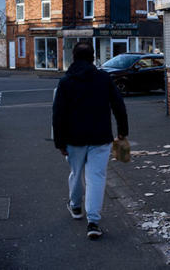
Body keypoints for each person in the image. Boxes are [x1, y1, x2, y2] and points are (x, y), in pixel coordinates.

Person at [51, 40, 128, 240]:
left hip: (73, 139)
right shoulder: (103, 78)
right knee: (96, 178)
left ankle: (76, 207)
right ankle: (93, 222)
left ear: (74, 58)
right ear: (93, 57)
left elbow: (58, 114)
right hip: (100, 137)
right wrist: (122, 132)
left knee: (76, 174)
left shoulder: (66, 82)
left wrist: (59, 142)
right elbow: (118, 105)